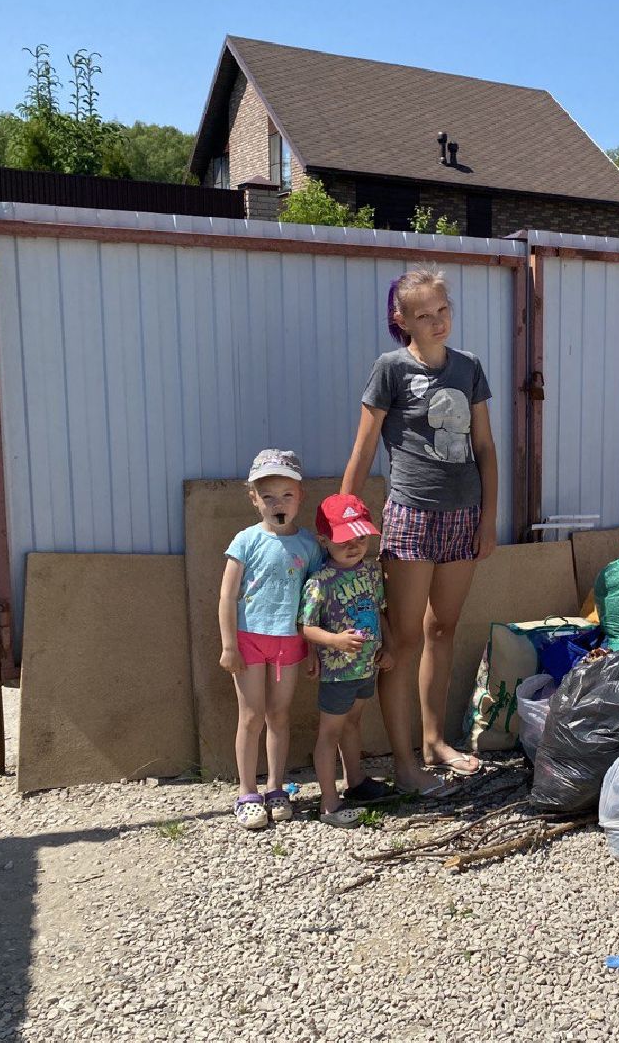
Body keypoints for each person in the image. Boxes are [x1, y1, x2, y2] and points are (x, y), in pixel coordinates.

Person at [341, 268, 498, 796]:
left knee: (441, 630)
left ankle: (435, 743)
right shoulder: (390, 370)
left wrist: (488, 520)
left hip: (463, 519)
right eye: (424, 314)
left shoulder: (469, 368)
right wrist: (345, 519)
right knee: (404, 641)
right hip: (410, 518)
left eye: (443, 310)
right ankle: (405, 766)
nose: (437, 322)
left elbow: (485, 449)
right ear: (401, 319)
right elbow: (364, 449)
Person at [218, 449, 324, 830]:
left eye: (286, 495)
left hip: (289, 643)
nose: (278, 503)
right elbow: (227, 595)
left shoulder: (309, 546)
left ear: (300, 496)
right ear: (253, 499)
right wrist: (229, 645)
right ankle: (247, 792)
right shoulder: (246, 540)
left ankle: (276, 786)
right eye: (268, 496)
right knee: (251, 717)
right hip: (248, 641)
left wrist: (311, 648)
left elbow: (313, 602)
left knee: (279, 715)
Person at [298, 494, 398, 826]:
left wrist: (389, 645)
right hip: (337, 673)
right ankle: (329, 802)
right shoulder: (320, 581)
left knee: (353, 724)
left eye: (360, 538)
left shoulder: (370, 572)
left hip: (365, 667)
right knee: (330, 732)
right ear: (324, 540)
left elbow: (380, 613)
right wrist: (336, 641)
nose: (353, 546)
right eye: (344, 540)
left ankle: (355, 781)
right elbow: (306, 627)